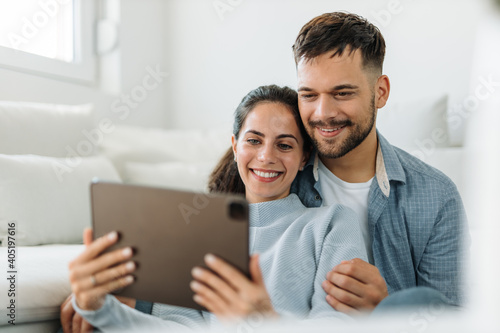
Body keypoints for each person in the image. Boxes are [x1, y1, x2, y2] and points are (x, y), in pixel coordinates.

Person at [63, 85, 368, 332]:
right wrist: (99, 308)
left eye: (285, 145)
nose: (265, 156)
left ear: (304, 157)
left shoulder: (331, 224)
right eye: (254, 140)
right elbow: (177, 327)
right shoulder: (196, 231)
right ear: (235, 147)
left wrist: (267, 322)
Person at [290, 12, 468, 314]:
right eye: (309, 95)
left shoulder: (437, 197)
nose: (323, 113)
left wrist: (386, 309)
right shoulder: (278, 177)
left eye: (342, 93)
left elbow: (449, 319)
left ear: (380, 92)